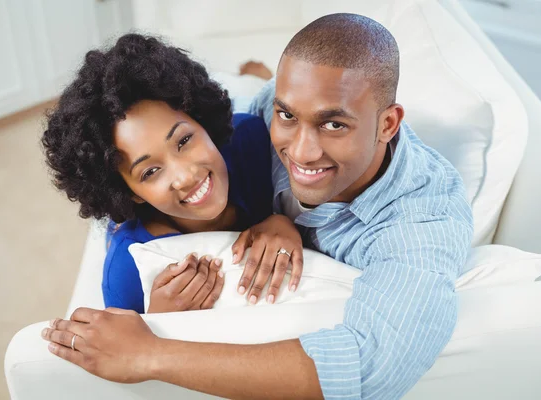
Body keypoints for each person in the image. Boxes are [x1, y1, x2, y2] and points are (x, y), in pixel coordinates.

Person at [42, 14, 473, 399]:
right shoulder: (264, 116)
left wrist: (154, 352)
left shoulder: (420, 224)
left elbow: (364, 366)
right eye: (288, 116)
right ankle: (256, 74)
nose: (301, 153)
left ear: (388, 124)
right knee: (258, 92)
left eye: (333, 123)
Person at [41, 33, 303, 315]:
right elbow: (127, 350)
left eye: (184, 141)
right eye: (150, 171)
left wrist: (285, 222)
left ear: (201, 121)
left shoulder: (250, 139)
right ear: (130, 192)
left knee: (250, 88)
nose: (186, 177)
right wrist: (157, 320)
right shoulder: (125, 267)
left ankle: (253, 73)